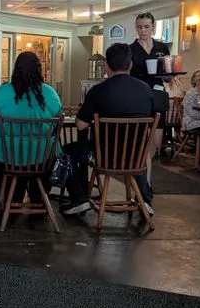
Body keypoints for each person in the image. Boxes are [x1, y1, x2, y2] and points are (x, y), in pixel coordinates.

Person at [63, 43, 155, 216]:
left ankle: (79, 198)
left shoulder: (98, 91)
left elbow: (81, 125)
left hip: (104, 156)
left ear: (106, 65)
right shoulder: (145, 90)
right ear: (130, 64)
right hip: (136, 156)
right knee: (138, 150)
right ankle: (145, 199)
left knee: (66, 151)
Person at [0, 51, 62, 206]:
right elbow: (57, 118)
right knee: (46, 154)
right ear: (39, 70)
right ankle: (38, 200)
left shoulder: (1, 92)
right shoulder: (50, 93)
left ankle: (9, 199)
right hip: (42, 158)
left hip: (7, 156)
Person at [130, 12, 170, 187]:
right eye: (139, 27)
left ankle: (143, 170)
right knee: (142, 138)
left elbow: (168, 76)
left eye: (146, 26)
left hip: (158, 94)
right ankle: (145, 182)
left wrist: (168, 76)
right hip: (138, 95)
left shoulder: (162, 47)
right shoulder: (131, 49)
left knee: (156, 141)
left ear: (153, 26)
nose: (143, 30)